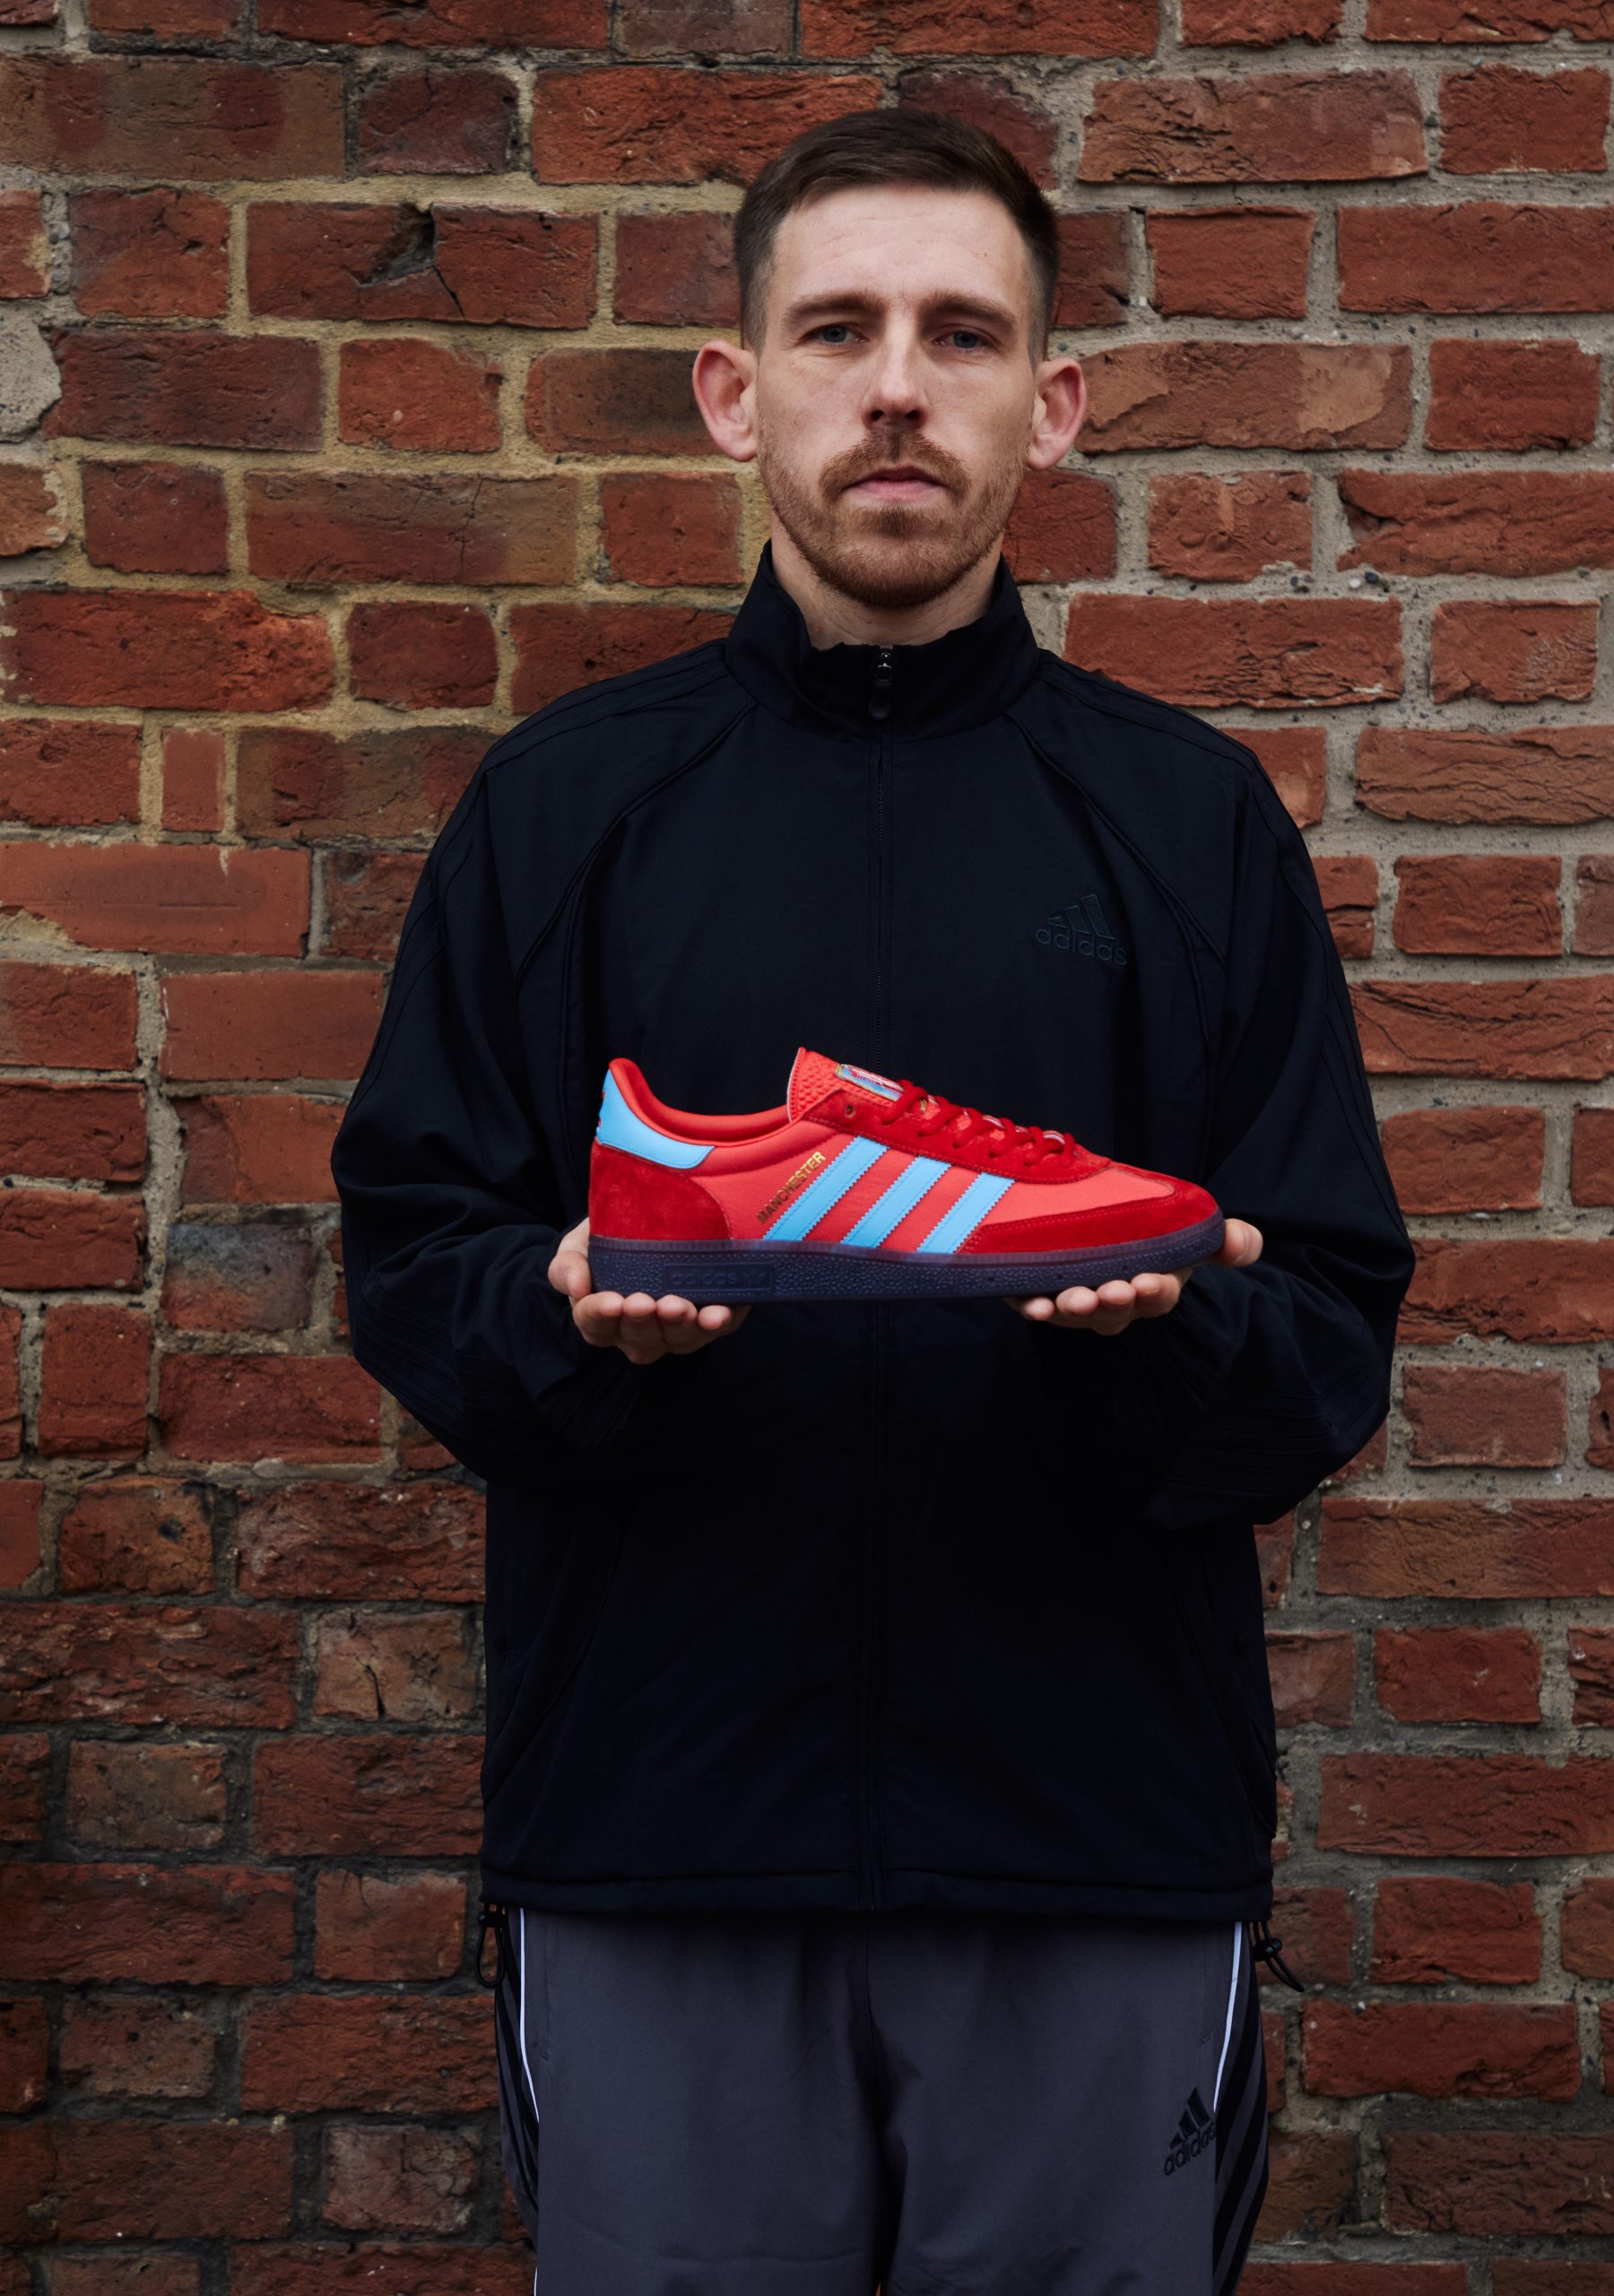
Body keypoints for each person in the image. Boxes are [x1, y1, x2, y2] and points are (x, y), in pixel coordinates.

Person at [329, 106, 1413, 2296]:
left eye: (960, 334)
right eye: (838, 330)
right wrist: (567, 1312)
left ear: (1050, 403)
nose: (898, 387)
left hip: (1094, 1842)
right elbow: (414, 1251)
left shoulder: (1190, 825)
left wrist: (1171, 1322)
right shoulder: (560, 811)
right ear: (738, 392)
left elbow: (1329, 1319)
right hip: (661, 1836)